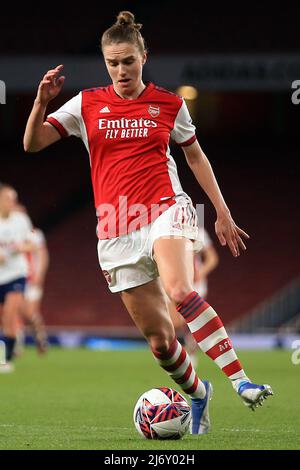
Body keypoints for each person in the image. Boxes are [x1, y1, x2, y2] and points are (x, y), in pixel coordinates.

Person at [23, 11, 273, 433]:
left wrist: (224, 212)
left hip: (165, 207)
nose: (121, 70)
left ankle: (241, 381)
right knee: (160, 343)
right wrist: (41, 101)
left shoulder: (169, 104)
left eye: (128, 61)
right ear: (105, 62)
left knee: (179, 290)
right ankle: (198, 393)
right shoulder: (85, 104)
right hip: (116, 226)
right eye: (113, 63)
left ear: (144, 57)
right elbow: (31, 145)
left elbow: (195, 155)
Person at [168, 228, 219, 368]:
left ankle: (191, 356)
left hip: (195, 285)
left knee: (192, 323)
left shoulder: (199, 233)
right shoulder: (166, 230)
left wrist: (200, 273)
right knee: (176, 323)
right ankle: (182, 353)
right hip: (173, 281)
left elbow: (212, 258)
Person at [0, 183, 34, 372]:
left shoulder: (21, 219)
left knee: (9, 316)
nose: (11, 202)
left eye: (14, 198)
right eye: (7, 198)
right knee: (2, 320)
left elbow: (32, 244)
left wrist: (20, 248)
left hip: (16, 274)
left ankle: (6, 360)